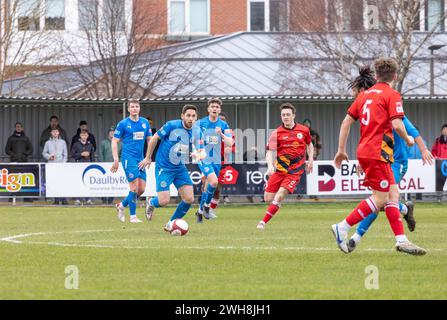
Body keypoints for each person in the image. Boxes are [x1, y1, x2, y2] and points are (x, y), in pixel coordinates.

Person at [331, 58, 426, 256]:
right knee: (380, 197)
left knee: (392, 195)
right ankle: (342, 226)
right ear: (395, 76)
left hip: (366, 151)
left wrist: (341, 150)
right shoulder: (392, 95)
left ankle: (401, 240)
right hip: (378, 152)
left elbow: (346, 122)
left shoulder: (363, 96)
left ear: (376, 75)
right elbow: (399, 125)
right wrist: (408, 140)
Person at [143, 105, 202, 231]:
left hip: (179, 167)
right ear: (182, 116)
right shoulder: (172, 125)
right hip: (164, 167)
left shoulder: (197, 131)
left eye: (193, 116)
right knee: (164, 201)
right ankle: (151, 202)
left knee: (189, 198)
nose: (190, 118)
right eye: (188, 115)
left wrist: (199, 154)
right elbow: (154, 138)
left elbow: (201, 149)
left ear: (196, 118)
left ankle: (170, 224)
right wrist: (148, 157)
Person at [256, 103, 314, 230]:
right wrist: (270, 166)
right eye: (283, 115)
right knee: (268, 198)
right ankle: (276, 203)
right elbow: (269, 151)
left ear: (293, 115)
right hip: (281, 168)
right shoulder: (276, 133)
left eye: (288, 114)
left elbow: (309, 145)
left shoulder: (303, 130)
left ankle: (263, 222)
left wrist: (310, 160)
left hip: (295, 170)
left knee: (280, 195)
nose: (285, 117)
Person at [111, 99, 152, 223]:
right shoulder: (123, 124)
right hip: (128, 158)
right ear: (128, 109)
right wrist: (116, 159)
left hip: (141, 159)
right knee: (133, 187)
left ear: (139, 108)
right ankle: (133, 216)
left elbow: (150, 140)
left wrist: (148, 157)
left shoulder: (145, 123)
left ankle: (121, 206)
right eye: (132, 106)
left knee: (141, 189)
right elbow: (114, 141)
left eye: (137, 106)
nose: (134, 108)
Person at [195, 98, 233, 223]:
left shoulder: (223, 125)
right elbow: (193, 138)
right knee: (214, 182)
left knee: (209, 186)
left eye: (217, 107)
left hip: (216, 160)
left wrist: (221, 135)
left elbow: (230, 143)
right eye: (212, 106)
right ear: (208, 109)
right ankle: (206, 207)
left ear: (219, 110)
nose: (215, 108)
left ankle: (200, 212)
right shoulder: (200, 123)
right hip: (203, 157)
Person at [42, 127, 68, 205]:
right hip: (52, 165)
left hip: (61, 165)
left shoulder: (63, 142)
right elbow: (44, 153)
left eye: (56, 132)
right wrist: (49, 156)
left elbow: (65, 154)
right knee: (54, 182)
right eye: (54, 132)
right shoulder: (47, 143)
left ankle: (64, 199)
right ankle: (56, 199)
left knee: (63, 182)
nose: (55, 133)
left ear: (59, 133)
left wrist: (63, 163)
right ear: (51, 133)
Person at [71, 130, 95, 205]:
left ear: (87, 136)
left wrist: (92, 165)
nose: (84, 137)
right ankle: (78, 199)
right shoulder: (76, 144)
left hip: (88, 166)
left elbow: (92, 157)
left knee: (87, 182)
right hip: (79, 165)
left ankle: (88, 199)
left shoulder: (90, 145)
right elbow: (72, 155)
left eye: (85, 135)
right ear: (80, 136)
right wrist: (81, 154)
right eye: (82, 135)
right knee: (79, 182)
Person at [99, 126, 122, 205]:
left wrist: (119, 163)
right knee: (104, 183)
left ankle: (111, 199)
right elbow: (100, 154)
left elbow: (121, 155)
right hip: (105, 167)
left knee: (113, 183)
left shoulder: (120, 143)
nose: (112, 133)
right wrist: (102, 164)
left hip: (115, 166)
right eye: (111, 131)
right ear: (108, 133)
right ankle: (104, 199)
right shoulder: (104, 142)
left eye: (114, 131)